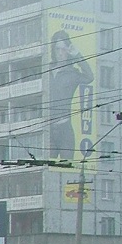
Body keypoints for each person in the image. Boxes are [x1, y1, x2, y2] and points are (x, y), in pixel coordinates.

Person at [47, 29, 94, 161]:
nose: (60, 53)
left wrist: (77, 55)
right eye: (57, 49)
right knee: (46, 167)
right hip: (47, 129)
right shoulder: (47, 69)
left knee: (66, 168)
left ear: (68, 51)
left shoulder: (73, 73)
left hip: (64, 130)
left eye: (63, 49)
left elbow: (89, 77)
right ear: (53, 50)